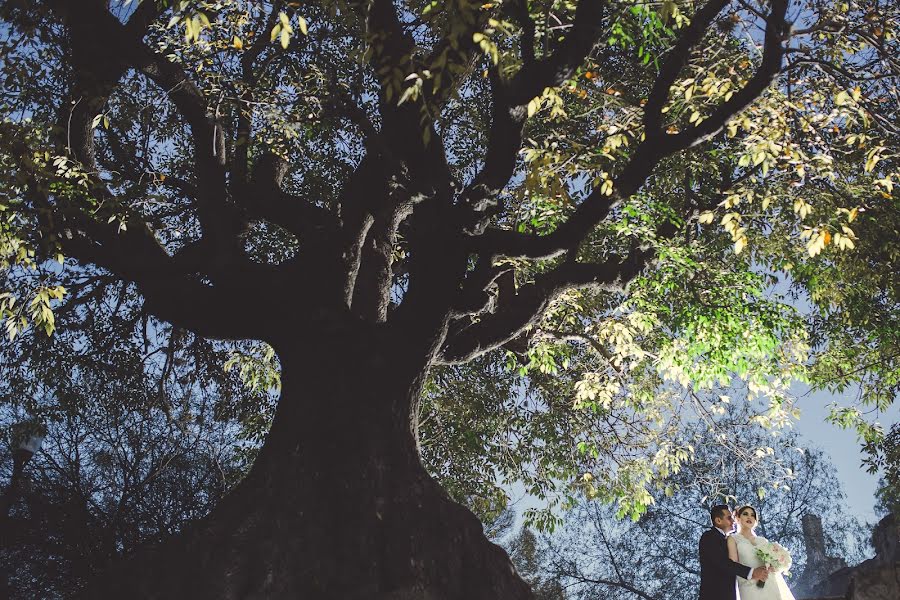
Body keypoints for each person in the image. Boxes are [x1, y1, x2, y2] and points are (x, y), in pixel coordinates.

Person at [699, 504, 769, 600]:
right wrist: (752, 572)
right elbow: (722, 562)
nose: (733, 521)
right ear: (718, 520)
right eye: (729, 518)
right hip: (714, 595)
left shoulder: (730, 540)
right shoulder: (709, 537)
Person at [728, 505, 796, 600]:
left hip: (770, 582)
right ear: (738, 518)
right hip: (748, 585)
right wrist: (752, 574)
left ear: (755, 521)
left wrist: (774, 566)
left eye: (753, 515)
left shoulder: (763, 541)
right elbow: (733, 565)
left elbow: (771, 561)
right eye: (745, 514)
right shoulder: (733, 538)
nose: (749, 517)